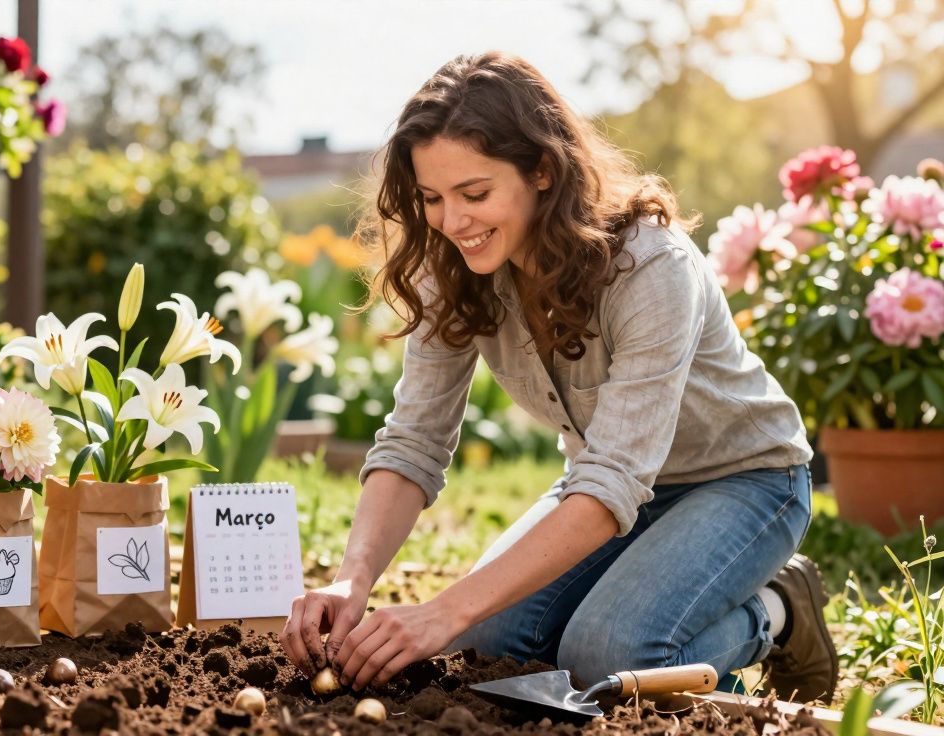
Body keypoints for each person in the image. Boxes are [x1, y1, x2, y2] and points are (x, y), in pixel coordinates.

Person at [279, 52, 838, 704]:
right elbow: (414, 441)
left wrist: (442, 609)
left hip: (745, 481)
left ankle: (780, 613)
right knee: (484, 648)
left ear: (543, 171)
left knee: (609, 655)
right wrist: (353, 578)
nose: (453, 222)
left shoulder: (649, 267)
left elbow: (610, 486)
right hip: (608, 491)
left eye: (475, 194)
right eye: (432, 198)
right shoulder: (453, 267)